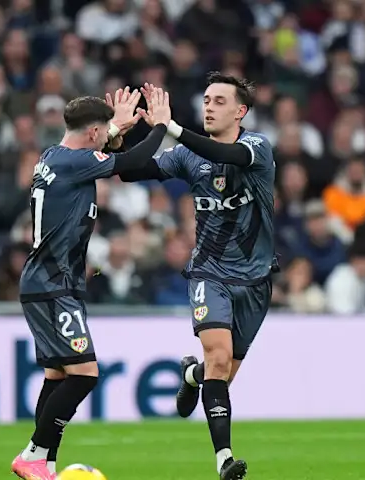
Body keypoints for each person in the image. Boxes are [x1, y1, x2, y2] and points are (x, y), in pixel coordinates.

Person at [10, 87, 172, 480]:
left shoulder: (54, 155)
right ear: (93, 135)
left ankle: (44, 463)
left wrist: (116, 125)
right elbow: (131, 159)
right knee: (85, 373)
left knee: (58, 376)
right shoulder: (73, 162)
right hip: (54, 285)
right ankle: (34, 453)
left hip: (46, 283)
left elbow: (104, 146)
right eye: (104, 134)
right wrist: (161, 127)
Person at [121, 73, 276, 480]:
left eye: (220, 101)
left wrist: (173, 128)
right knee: (219, 359)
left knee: (218, 374)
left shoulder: (257, 147)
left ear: (240, 111)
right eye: (206, 99)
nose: (209, 106)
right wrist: (146, 132)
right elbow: (130, 172)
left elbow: (230, 158)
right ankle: (224, 459)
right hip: (210, 273)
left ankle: (191, 376)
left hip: (256, 281)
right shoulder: (188, 156)